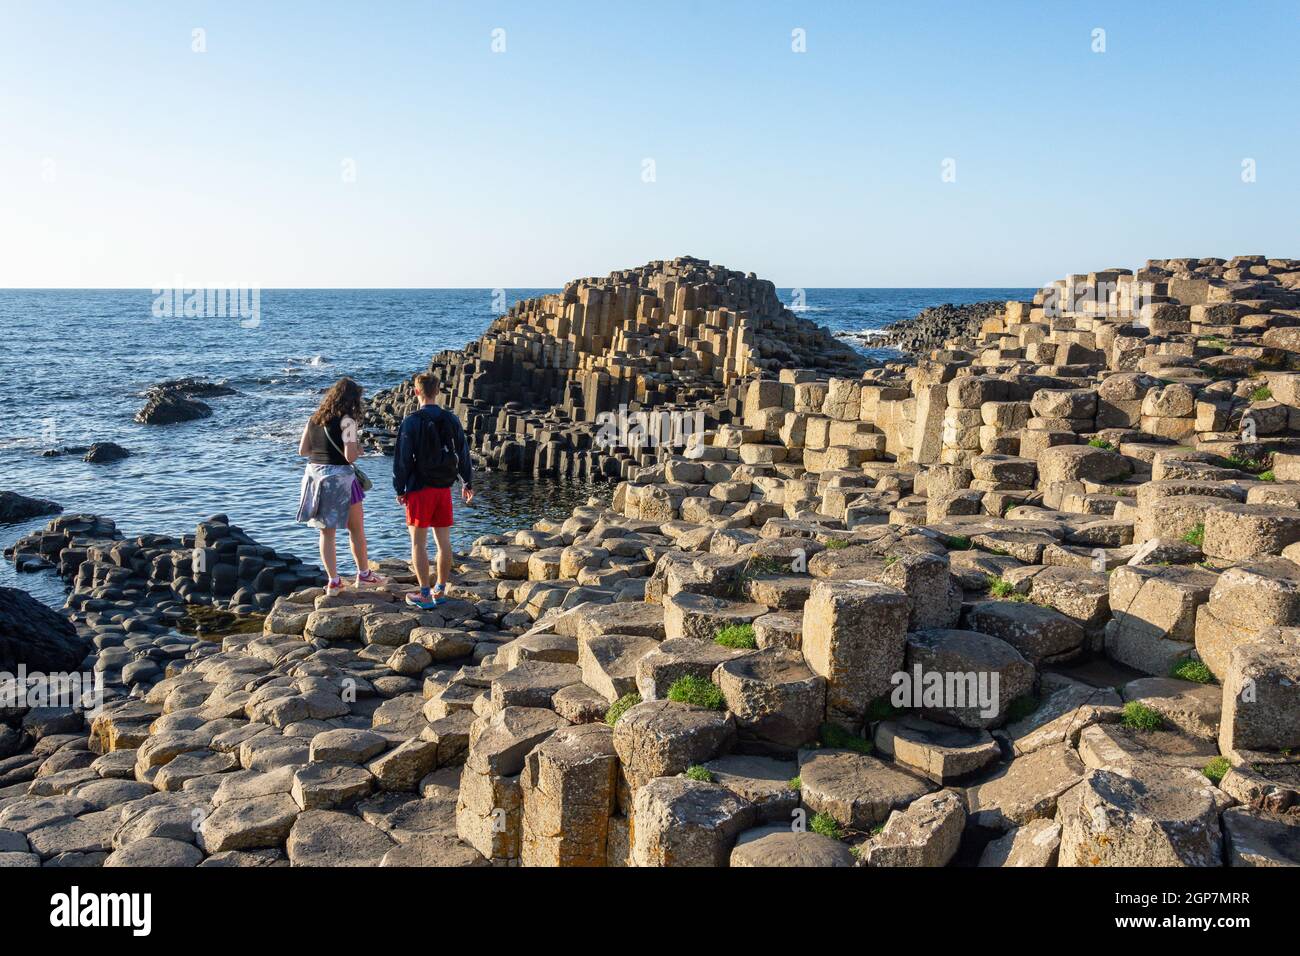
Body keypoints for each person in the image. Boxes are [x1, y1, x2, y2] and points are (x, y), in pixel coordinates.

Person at [296, 376, 385, 595]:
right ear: (352, 399)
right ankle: (364, 575)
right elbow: (350, 456)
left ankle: (333, 581)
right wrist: (358, 449)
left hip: (316, 479)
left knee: (326, 534)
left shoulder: (313, 419)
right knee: (356, 530)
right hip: (340, 481)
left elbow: (303, 451)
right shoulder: (348, 422)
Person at [392, 371, 473, 609]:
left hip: (419, 488)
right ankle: (441, 589)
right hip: (443, 488)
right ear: (437, 391)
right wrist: (467, 482)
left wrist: (400, 487)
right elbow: (463, 452)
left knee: (418, 542)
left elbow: (403, 459)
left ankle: (425, 594)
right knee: (443, 542)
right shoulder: (451, 419)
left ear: (417, 392)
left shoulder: (411, 421)